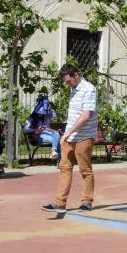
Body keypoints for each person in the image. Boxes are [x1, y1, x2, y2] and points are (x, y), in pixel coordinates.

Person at [41, 64, 97, 213]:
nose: (67, 85)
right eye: (65, 82)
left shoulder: (89, 89)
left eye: (69, 81)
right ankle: (59, 203)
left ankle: (87, 201)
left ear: (76, 75)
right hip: (69, 137)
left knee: (85, 170)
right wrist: (66, 134)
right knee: (65, 168)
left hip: (84, 136)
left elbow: (86, 115)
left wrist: (67, 133)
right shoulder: (73, 89)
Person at [24, 94, 61, 161]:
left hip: (49, 134)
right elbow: (25, 130)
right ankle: (59, 159)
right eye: (40, 113)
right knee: (58, 138)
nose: (42, 114)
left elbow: (55, 115)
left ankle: (54, 153)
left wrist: (48, 107)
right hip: (38, 136)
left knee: (57, 135)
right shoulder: (31, 118)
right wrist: (36, 129)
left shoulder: (46, 115)